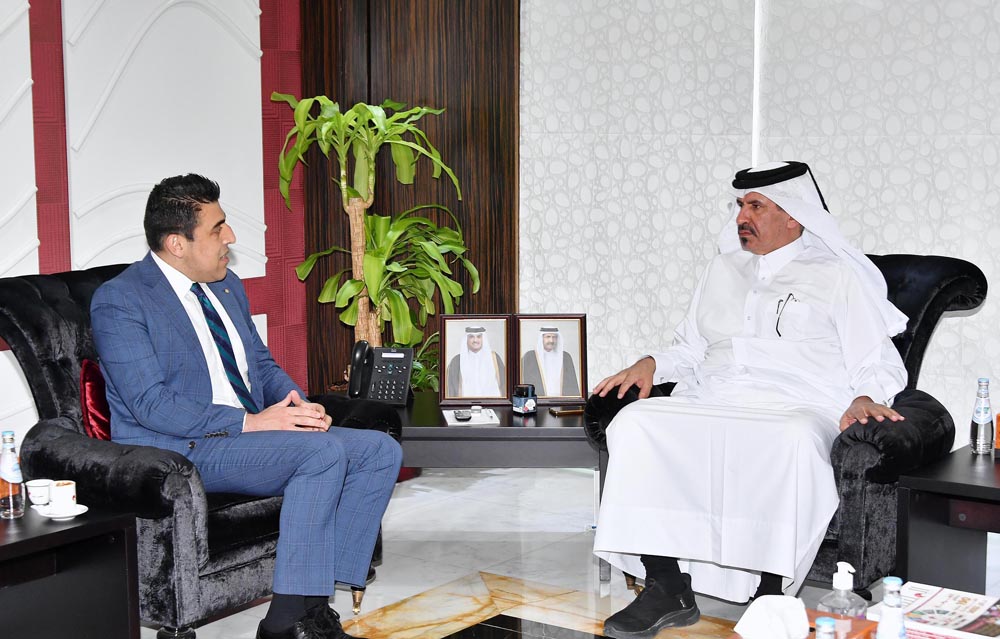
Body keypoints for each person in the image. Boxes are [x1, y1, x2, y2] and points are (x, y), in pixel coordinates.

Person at [592, 161, 908, 638]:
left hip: (796, 405)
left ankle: (771, 593)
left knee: (792, 438)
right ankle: (665, 583)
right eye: (741, 205)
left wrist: (866, 394)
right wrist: (652, 364)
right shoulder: (722, 268)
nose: (743, 215)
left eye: (756, 205)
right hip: (715, 395)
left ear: (794, 217)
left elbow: (876, 358)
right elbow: (692, 347)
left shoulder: (835, 276)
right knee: (636, 424)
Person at [91, 174, 402, 639]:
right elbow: (151, 404)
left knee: (379, 450)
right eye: (218, 229)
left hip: (245, 431)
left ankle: (314, 602)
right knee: (322, 455)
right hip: (179, 449)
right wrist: (251, 421)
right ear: (177, 243)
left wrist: (298, 402)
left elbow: (258, 362)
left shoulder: (226, 285)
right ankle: (282, 624)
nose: (230, 238)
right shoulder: (120, 301)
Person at [446, 326, 506, 397]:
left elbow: (504, 384)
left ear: (483, 338)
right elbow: (451, 389)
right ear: (466, 339)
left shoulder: (494, 358)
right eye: (471, 337)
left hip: (492, 404)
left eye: (478, 337)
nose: (475, 340)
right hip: (465, 405)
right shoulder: (456, 361)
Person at [520, 326, 580, 397]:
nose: (551, 340)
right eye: (548, 337)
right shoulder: (530, 357)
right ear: (542, 338)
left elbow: (572, 383)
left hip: (561, 401)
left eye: (554, 337)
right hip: (538, 401)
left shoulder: (566, 357)